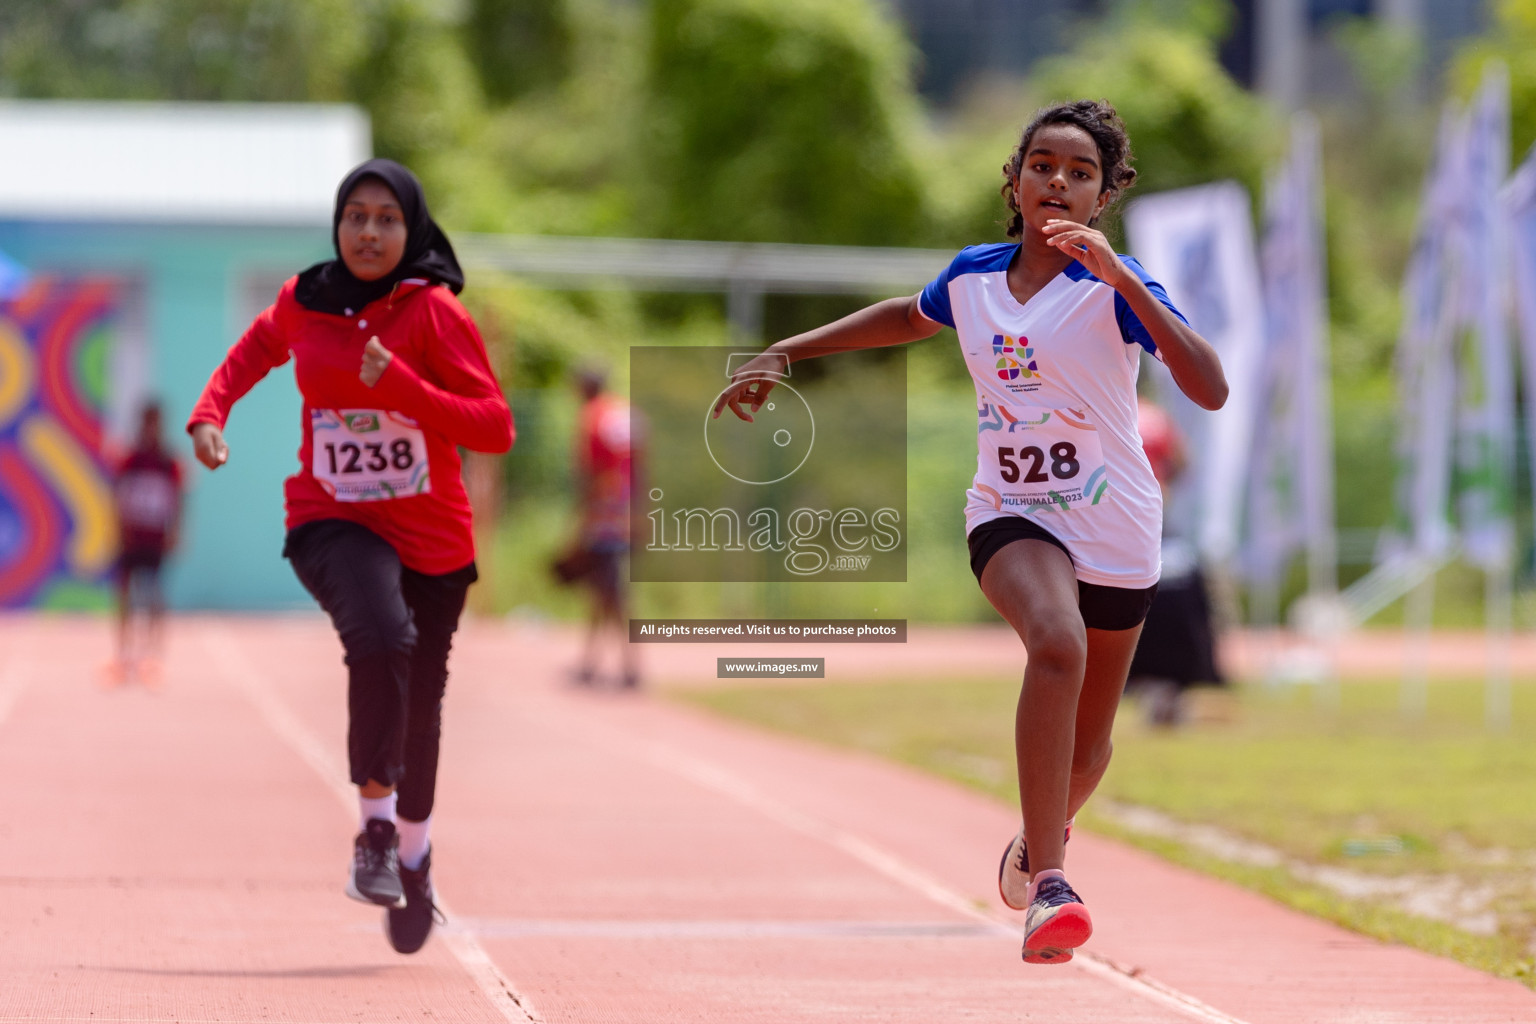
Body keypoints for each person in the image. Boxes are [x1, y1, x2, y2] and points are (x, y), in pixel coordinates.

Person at [714, 100, 1227, 964]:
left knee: (1092, 748)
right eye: (1041, 164)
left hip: (1117, 523)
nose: (1057, 181)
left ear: (1106, 194)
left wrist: (1125, 280)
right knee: (1055, 645)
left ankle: (1038, 841)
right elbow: (908, 316)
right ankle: (1054, 889)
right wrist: (787, 351)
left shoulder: (1116, 282)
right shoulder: (974, 277)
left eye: (1080, 171)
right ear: (1014, 179)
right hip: (1012, 509)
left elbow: (1207, 387)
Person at [186, 158, 514, 955]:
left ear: (412, 229)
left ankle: (415, 854)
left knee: (422, 706)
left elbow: (494, 427)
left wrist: (403, 387)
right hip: (334, 517)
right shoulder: (308, 300)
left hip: (433, 536)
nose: (369, 233)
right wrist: (208, 413)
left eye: (387, 220)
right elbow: (252, 352)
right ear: (338, 225)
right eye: (356, 217)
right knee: (379, 637)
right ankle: (374, 832)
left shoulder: (435, 314)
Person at [1127, 397, 1223, 726]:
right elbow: (1181, 463)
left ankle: (1143, 682)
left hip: (1112, 517)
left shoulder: (1093, 404)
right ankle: (1170, 683)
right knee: (1174, 594)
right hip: (1153, 511)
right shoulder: (1156, 416)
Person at [568, 367, 642, 688]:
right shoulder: (625, 412)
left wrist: (582, 518)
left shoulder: (591, 418)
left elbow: (591, 473)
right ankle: (596, 662)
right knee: (607, 590)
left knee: (611, 592)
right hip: (625, 509)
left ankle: (627, 666)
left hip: (603, 515)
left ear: (585, 387)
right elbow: (640, 466)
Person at [111, 400, 183, 685]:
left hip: (156, 537)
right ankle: (124, 652)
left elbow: (178, 500)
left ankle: (153, 652)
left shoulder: (168, 461)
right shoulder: (130, 458)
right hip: (132, 535)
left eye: (157, 423)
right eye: (148, 422)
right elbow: (118, 495)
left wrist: (175, 531)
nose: (152, 428)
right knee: (127, 595)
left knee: (154, 593)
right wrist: (119, 528)